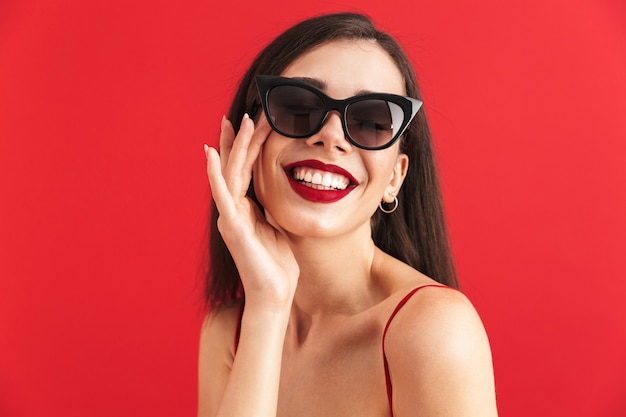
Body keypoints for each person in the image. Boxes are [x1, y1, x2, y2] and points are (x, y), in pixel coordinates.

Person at [198, 12, 497, 417]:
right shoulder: (228, 331)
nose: (331, 136)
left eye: (372, 120)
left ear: (395, 176)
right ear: (248, 145)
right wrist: (268, 305)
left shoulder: (433, 332)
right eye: (296, 106)